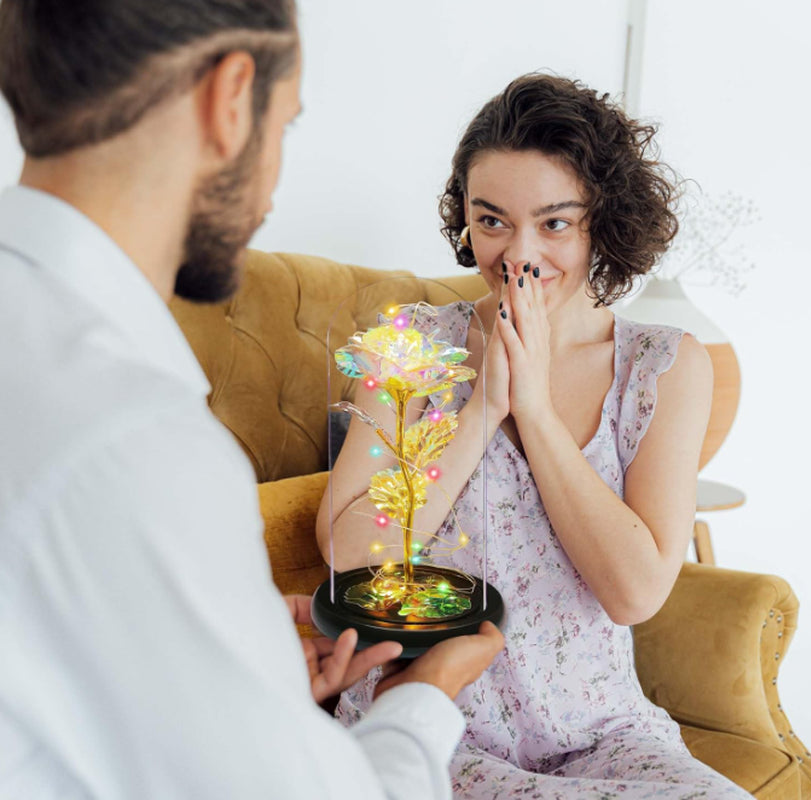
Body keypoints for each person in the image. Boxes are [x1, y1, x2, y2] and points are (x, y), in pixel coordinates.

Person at [0, 1, 504, 797]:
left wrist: (235, 691)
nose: (273, 179)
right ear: (231, 99)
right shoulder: (135, 440)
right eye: (286, 125)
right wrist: (418, 702)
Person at [319, 74, 752, 798]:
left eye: (554, 224)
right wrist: (482, 410)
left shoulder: (664, 366)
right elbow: (349, 553)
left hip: (602, 731)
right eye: (492, 221)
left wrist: (536, 412)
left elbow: (635, 592)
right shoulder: (412, 347)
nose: (518, 254)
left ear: (602, 223)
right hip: (432, 719)